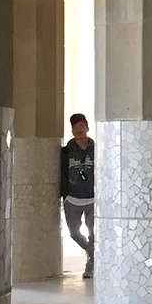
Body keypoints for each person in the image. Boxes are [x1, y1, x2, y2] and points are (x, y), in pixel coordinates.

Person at [61, 112, 95, 278]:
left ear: (87, 127)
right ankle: (92, 252)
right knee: (74, 233)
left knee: (93, 233)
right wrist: (65, 195)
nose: (78, 130)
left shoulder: (97, 149)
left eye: (81, 126)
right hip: (72, 199)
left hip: (92, 199)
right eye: (75, 127)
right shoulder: (66, 151)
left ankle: (91, 265)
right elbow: (61, 172)